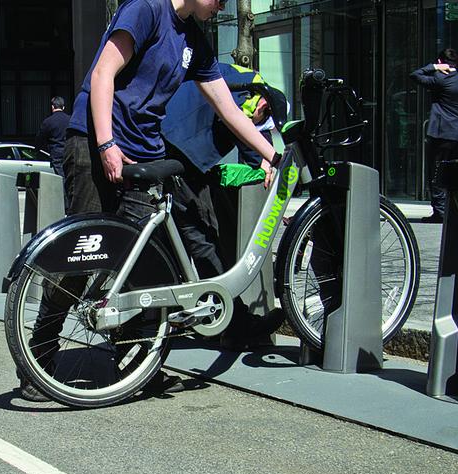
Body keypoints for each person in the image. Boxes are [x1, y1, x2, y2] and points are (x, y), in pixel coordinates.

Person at [17, 0, 281, 403]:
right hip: (94, 143)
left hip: (144, 156)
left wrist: (271, 153)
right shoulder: (145, 9)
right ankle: (39, 357)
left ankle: (136, 362)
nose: (224, 3)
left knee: (148, 267)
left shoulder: (194, 38)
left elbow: (227, 107)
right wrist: (106, 142)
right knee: (83, 257)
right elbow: (104, 72)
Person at [411, 48, 458, 223]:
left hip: (441, 134)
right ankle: (454, 210)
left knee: (437, 172)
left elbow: (415, 75)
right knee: (454, 172)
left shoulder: (440, 78)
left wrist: (434, 67)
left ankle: (440, 212)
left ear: (441, 62)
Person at [34, 96, 71, 176]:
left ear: (52, 107)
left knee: (60, 178)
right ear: (63, 107)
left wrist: (37, 150)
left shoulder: (48, 122)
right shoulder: (70, 120)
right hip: (69, 151)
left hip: (56, 153)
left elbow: (40, 138)